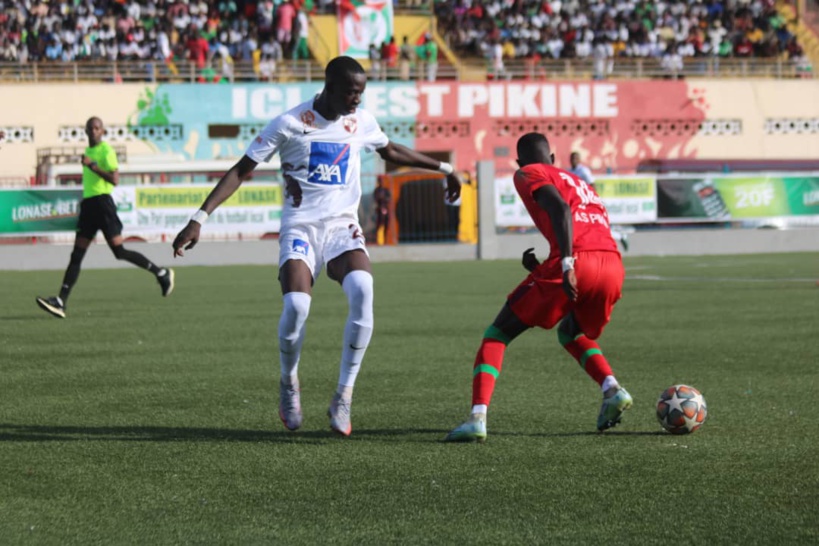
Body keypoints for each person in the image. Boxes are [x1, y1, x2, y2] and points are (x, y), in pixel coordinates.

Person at [171, 56, 462, 437]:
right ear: (328, 86)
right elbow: (241, 170)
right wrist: (199, 218)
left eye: (361, 92)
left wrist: (445, 169)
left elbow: (390, 150)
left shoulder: (360, 121)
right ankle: (289, 382)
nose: (356, 99)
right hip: (300, 228)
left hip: (343, 226)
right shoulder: (290, 123)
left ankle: (343, 395)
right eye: (350, 92)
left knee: (364, 289)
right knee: (297, 306)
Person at [445, 133, 630, 443]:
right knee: (571, 331)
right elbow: (586, 225)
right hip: (612, 265)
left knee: (498, 334)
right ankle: (612, 389)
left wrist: (567, 264)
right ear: (554, 159)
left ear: (519, 162)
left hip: (576, 262)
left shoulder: (528, 172)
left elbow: (559, 210)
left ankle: (477, 417)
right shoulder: (580, 183)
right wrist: (549, 265)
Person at [36, 117, 174, 319]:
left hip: (103, 204)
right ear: (85, 131)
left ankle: (162, 274)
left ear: (102, 131)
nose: (93, 131)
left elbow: (114, 179)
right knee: (77, 254)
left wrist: (92, 166)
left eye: (97, 128)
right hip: (89, 205)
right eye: (90, 128)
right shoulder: (88, 152)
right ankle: (61, 301)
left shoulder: (105, 151)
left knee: (119, 251)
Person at [569, 151, 629, 252]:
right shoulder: (569, 171)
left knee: (597, 226)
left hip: (586, 202)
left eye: (575, 158)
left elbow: (592, 184)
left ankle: (619, 236)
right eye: (572, 158)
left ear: (579, 160)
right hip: (577, 203)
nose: (573, 160)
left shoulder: (583, 171)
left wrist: (592, 200)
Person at [373, 176, 391, 245]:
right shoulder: (377, 190)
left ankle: (385, 240)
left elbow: (388, 198)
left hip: (385, 209)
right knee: (379, 226)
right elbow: (376, 198)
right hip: (379, 210)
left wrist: (384, 199)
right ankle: (378, 241)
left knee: (386, 225)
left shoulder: (386, 190)